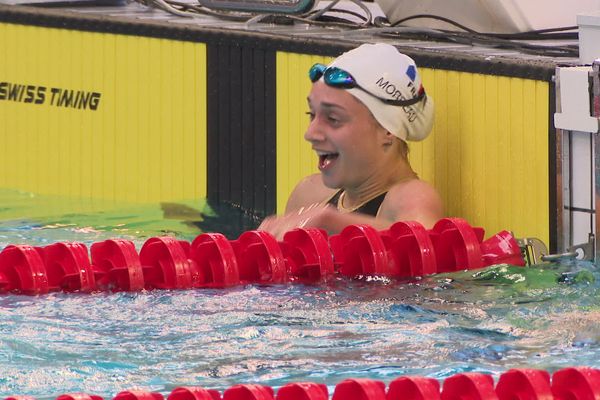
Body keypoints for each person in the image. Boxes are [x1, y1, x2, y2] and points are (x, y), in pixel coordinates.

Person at [259, 43, 444, 239]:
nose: (310, 133)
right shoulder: (309, 195)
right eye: (311, 114)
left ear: (387, 130)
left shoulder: (411, 196)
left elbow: (424, 244)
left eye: (333, 119)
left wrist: (331, 221)